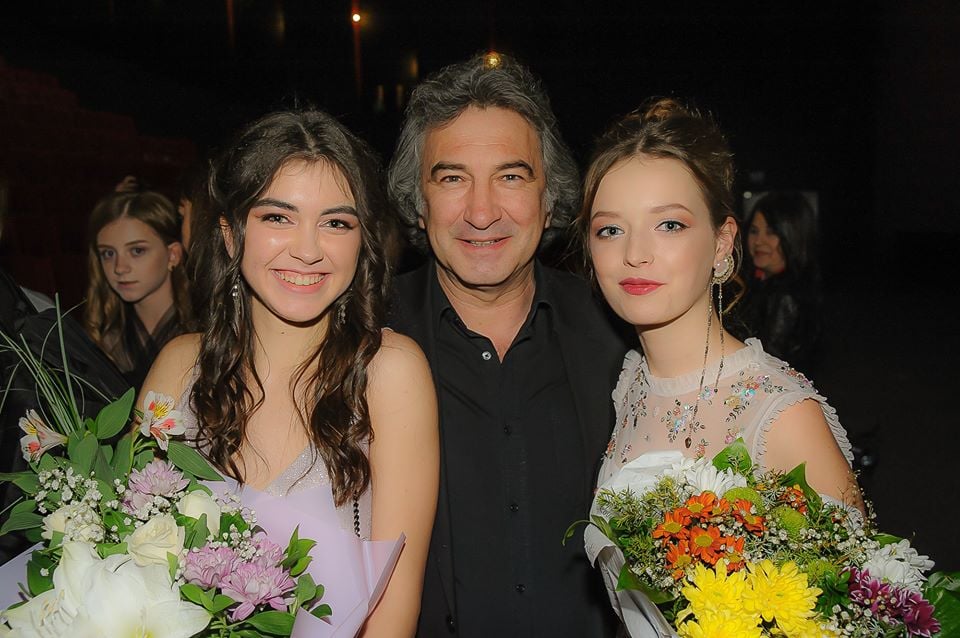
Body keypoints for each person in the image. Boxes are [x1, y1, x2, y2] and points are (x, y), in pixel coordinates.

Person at [139, 108, 439, 637]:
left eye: (336, 223)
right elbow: (124, 554)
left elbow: (392, 615)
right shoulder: (179, 366)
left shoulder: (390, 373)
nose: (307, 250)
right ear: (230, 235)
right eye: (278, 217)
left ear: (362, 242)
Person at [577, 98, 863, 637]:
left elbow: (856, 612)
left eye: (669, 224)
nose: (635, 253)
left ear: (723, 242)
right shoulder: (631, 383)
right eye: (610, 230)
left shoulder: (782, 417)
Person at [387, 52, 628, 637]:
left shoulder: (620, 332)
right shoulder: (362, 335)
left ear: (550, 198)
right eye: (452, 178)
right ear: (419, 201)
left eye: (511, 177)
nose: (481, 212)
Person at [83, 190, 192, 391]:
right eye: (108, 253)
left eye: (137, 251)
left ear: (173, 255)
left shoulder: (204, 331)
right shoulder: (103, 340)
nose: (119, 268)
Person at [738, 190, 824, 376]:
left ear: (793, 235)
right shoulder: (756, 282)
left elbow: (769, 365)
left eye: (771, 232)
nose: (759, 241)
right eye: (754, 231)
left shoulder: (786, 296)